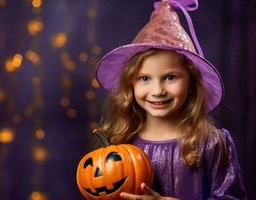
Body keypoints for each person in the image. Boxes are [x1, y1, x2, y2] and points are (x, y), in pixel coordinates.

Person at [94, 0, 247, 199]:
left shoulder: (212, 144)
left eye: (170, 77)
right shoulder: (120, 142)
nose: (157, 90)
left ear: (191, 82)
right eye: (145, 78)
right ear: (130, 84)